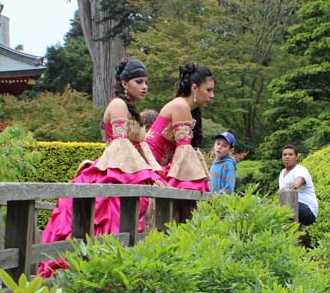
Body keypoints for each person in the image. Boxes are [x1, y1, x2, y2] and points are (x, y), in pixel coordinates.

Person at [38, 58, 163, 277]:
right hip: (114, 170)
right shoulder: (118, 105)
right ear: (124, 83)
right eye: (139, 82)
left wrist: (155, 173)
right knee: (109, 219)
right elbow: (121, 146)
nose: (144, 87)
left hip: (126, 171)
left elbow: (139, 147)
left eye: (146, 82)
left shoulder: (129, 108)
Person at [145, 63, 214, 222]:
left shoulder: (187, 108)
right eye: (209, 90)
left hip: (158, 168)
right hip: (151, 168)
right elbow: (184, 154)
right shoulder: (181, 106)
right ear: (195, 88)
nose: (212, 95)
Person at [278, 144, 318, 226]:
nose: (287, 157)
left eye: (290, 154)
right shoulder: (282, 173)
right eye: (284, 154)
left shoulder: (300, 169)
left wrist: (296, 184)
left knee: (284, 205)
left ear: (296, 157)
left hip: (308, 210)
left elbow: (301, 179)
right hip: (291, 207)